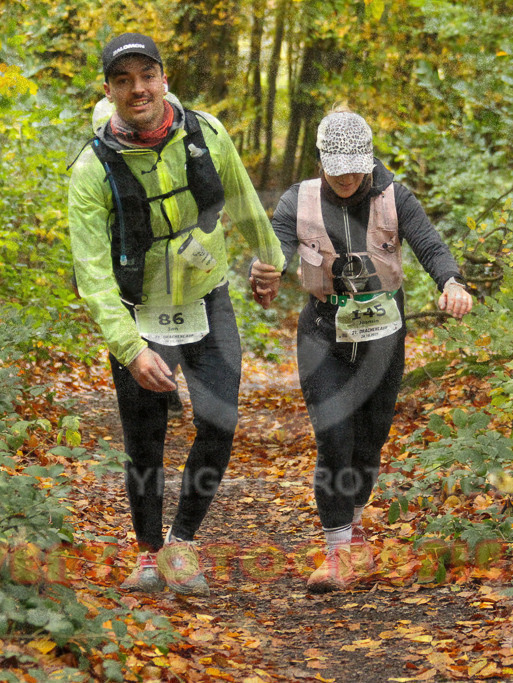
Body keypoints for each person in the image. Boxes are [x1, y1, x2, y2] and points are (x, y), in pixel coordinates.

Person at [69, 32, 284, 596]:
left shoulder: (206, 134)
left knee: (219, 419)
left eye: (147, 76)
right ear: (110, 90)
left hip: (205, 296)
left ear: (164, 77)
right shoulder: (92, 168)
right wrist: (129, 348)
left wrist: (272, 260)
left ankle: (182, 541)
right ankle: (147, 552)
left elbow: (241, 197)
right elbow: (91, 273)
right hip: (140, 311)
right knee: (146, 437)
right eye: (124, 80)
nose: (138, 89)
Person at [254, 110, 473, 593]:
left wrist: (451, 281)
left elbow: (431, 247)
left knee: (369, 440)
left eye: (356, 167)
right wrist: (264, 275)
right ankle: (336, 555)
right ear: (321, 162)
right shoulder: (298, 200)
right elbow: (277, 253)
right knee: (334, 438)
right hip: (322, 332)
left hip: (382, 335)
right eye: (338, 168)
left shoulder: (395, 197)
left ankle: (352, 527)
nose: (348, 177)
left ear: (369, 161)